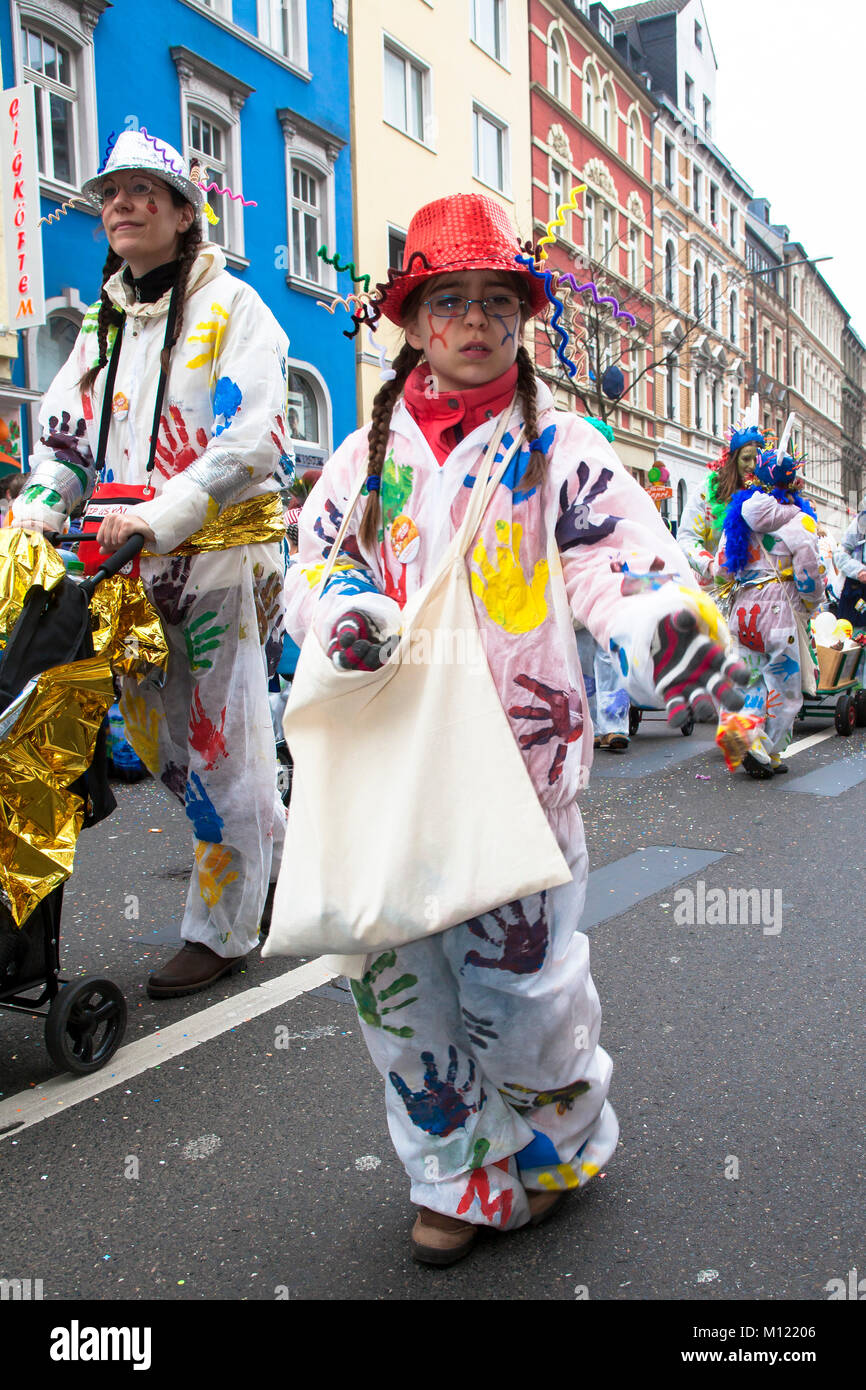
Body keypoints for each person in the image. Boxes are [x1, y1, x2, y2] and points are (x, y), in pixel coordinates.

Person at [283, 193, 746, 1264]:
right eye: (448, 299)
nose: (473, 319)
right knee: (394, 986)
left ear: (521, 318)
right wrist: (344, 611)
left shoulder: (562, 447)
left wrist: (653, 623)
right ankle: (454, 1172)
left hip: (519, 769)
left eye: (495, 299)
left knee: (522, 992)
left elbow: (613, 559)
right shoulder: (362, 455)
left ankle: (557, 1147)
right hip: (386, 765)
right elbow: (314, 564)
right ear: (412, 320)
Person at [10, 130, 291, 997]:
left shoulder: (234, 309)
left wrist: (162, 514)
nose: (122, 205)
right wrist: (30, 514)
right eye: (112, 194)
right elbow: (64, 445)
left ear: (181, 214)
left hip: (212, 563)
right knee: (160, 747)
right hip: (118, 572)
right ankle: (266, 846)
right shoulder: (103, 320)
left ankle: (223, 927)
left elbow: (255, 439)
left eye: (143, 192)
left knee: (221, 748)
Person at [714, 447, 826, 778]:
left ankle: (748, 738)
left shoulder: (739, 515)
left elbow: (723, 568)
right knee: (783, 687)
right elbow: (809, 574)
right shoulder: (799, 521)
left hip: (744, 611)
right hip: (780, 613)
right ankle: (768, 747)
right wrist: (812, 603)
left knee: (750, 680)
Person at [678, 403, 765, 590]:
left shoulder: (767, 496)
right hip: (713, 591)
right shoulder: (708, 492)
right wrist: (709, 565)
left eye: (757, 460)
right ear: (734, 460)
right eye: (746, 459)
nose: (751, 466)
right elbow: (687, 537)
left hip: (755, 593)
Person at [833, 498, 866, 626]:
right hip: (857, 592)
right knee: (852, 637)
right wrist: (859, 571)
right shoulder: (860, 523)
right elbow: (840, 555)